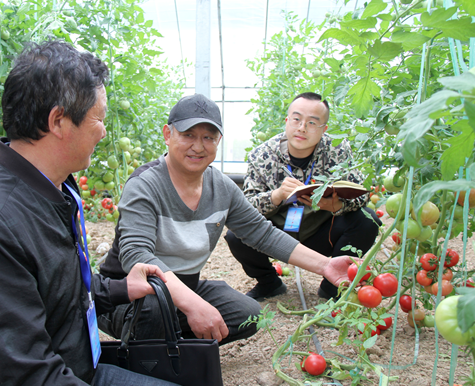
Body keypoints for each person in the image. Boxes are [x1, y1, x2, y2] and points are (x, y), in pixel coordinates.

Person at [0, 41, 193, 386]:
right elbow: (27, 379)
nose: (103, 131)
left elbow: (53, 282)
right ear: (59, 121)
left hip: (71, 369)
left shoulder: (53, 189)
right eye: (98, 118)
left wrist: (120, 288)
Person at [98, 93, 356, 346]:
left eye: (208, 137)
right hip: (131, 296)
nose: (198, 146)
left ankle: (168, 344)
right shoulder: (145, 184)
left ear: (218, 140)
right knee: (154, 309)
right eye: (188, 135)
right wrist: (194, 305)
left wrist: (326, 266)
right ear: (168, 134)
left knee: (248, 314)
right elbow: (136, 254)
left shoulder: (221, 187)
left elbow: (261, 233)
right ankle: (158, 348)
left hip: (185, 289)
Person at [225, 92, 381, 301]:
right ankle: (269, 283)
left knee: (367, 220)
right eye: (297, 119)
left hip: (322, 231)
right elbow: (247, 206)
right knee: (236, 233)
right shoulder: (263, 155)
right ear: (287, 120)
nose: (302, 128)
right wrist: (277, 195)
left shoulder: (337, 150)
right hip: (276, 234)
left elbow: (362, 193)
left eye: (312, 122)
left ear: (324, 129)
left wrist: (335, 206)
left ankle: (332, 286)